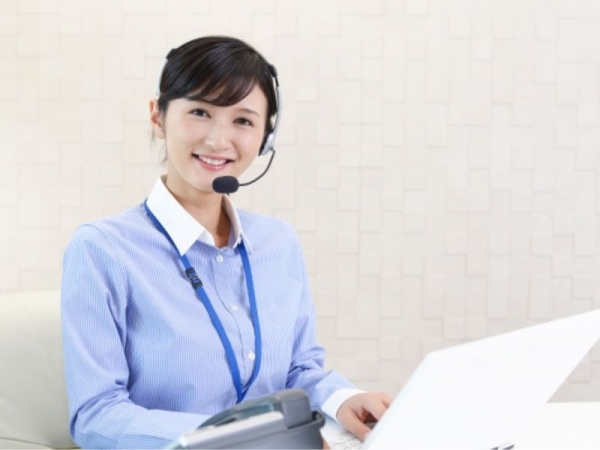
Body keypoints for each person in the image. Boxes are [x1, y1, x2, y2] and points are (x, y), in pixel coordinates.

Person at [61, 35, 390, 449]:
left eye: (243, 121)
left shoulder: (278, 243)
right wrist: (236, 441)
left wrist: (343, 400)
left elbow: (298, 370)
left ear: (265, 137)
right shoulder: (102, 250)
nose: (219, 140)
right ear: (158, 117)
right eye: (200, 112)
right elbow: (96, 417)